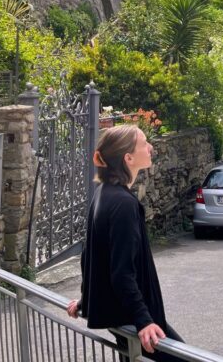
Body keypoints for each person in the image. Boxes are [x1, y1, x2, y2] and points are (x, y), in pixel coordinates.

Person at [67, 125, 184, 362]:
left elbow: (92, 254)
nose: (150, 147)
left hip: (121, 315)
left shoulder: (104, 193)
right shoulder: (123, 203)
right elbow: (121, 271)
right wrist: (144, 320)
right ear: (128, 158)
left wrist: (85, 299)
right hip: (131, 317)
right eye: (144, 143)